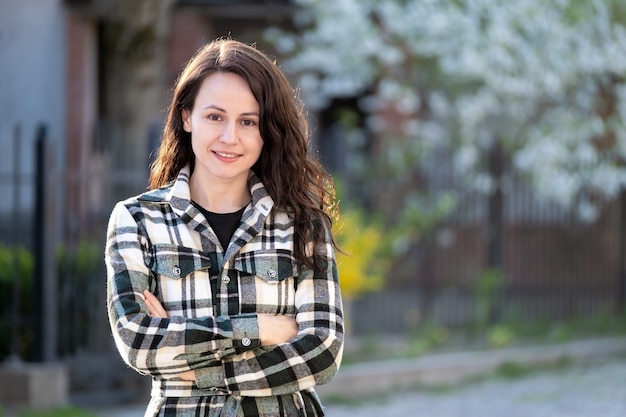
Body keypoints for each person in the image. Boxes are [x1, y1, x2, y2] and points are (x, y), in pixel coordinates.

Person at [105, 38, 344, 417]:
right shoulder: (138, 221)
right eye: (215, 116)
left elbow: (322, 351)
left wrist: (190, 358)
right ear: (187, 117)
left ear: (266, 130)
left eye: (248, 121)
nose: (230, 137)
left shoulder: (302, 223)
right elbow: (138, 343)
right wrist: (260, 329)